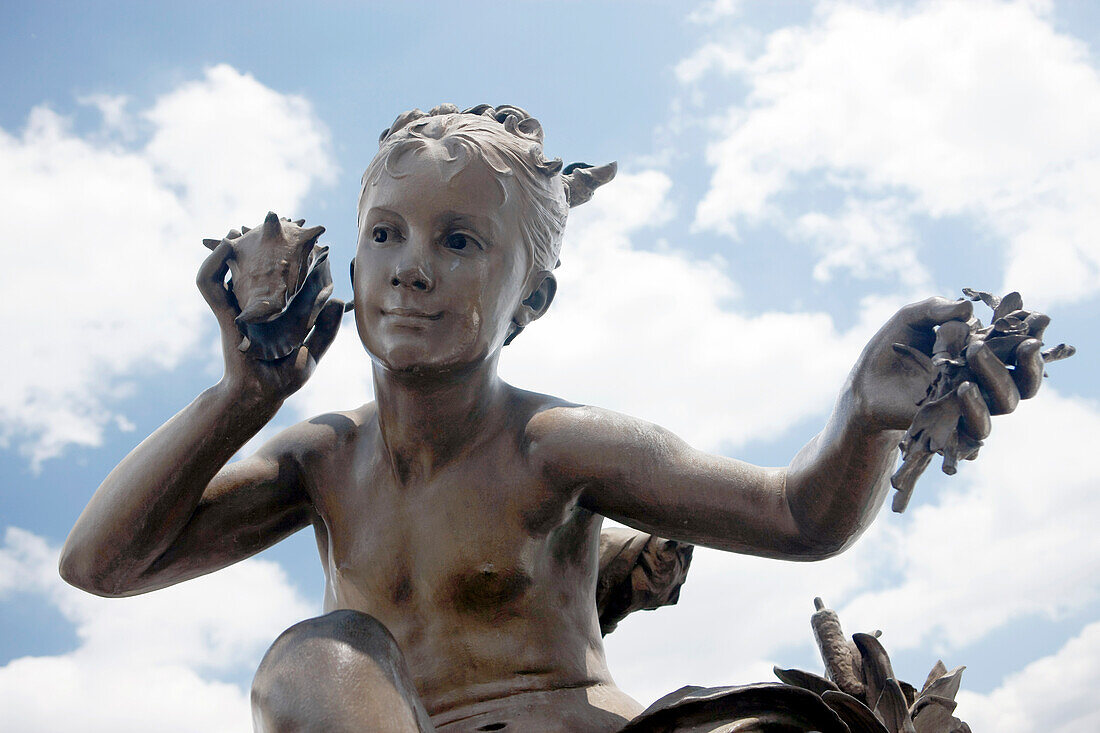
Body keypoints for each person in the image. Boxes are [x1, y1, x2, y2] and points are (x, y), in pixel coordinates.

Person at [58, 104, 1043, 732]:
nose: (411, 267)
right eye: (385, 234)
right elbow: (102, 564)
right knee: (312, 654)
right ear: (352, 267)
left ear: (529, 302)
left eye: (458, 240)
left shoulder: (554, 444)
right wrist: (244, 394)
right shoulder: (320, 457)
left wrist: (861, 420)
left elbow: (797, 516)